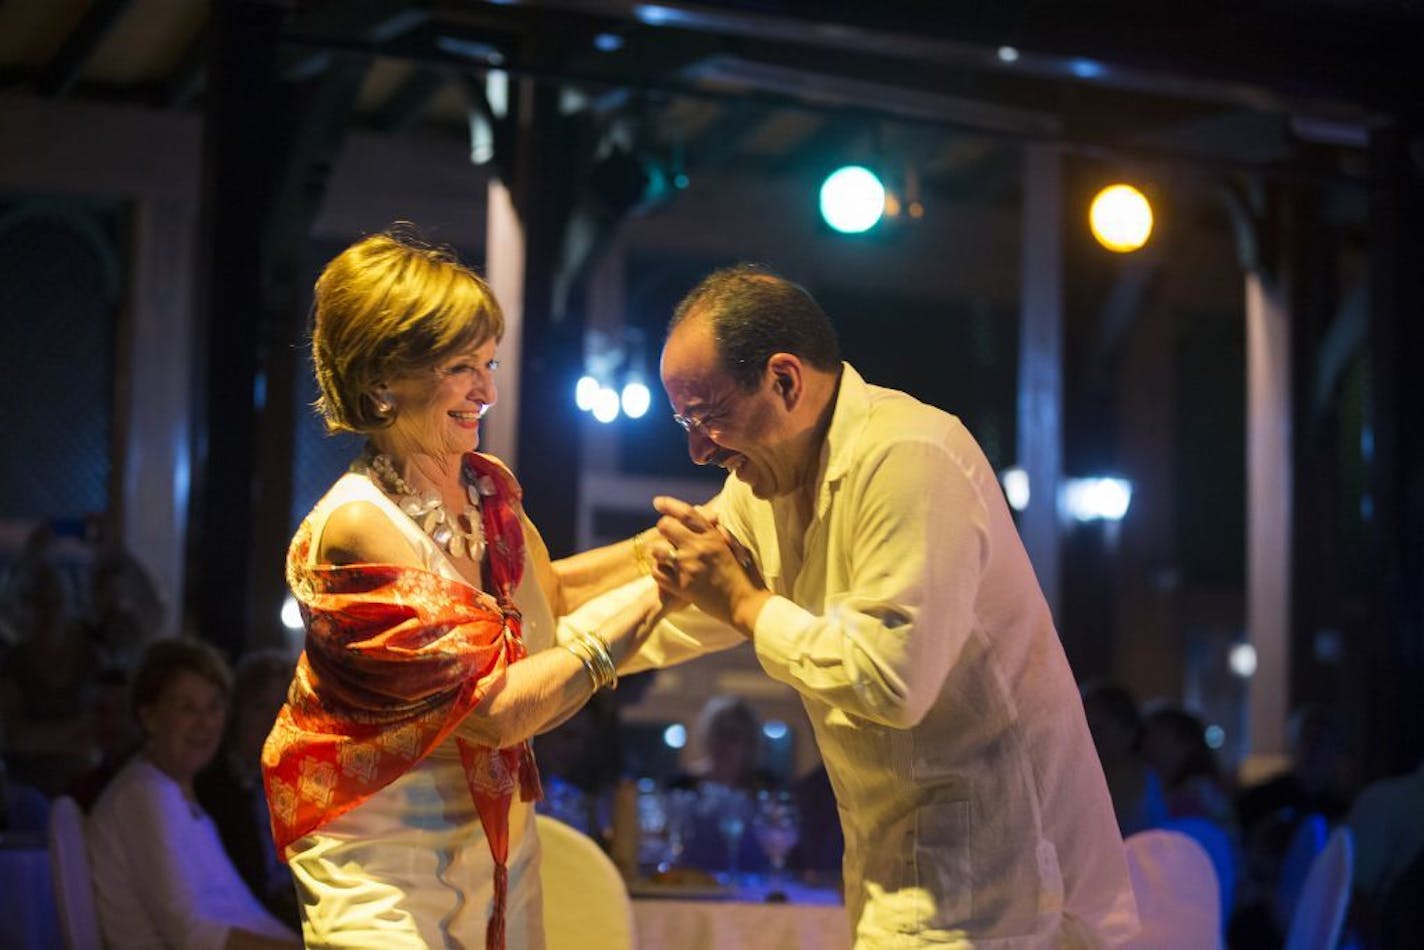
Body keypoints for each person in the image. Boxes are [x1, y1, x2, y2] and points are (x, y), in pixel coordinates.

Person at [638, 264, 1138, 946]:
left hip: (1007, 886)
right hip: (904, 879)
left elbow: (892, 679)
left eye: (710, 416)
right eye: (685, 422)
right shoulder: (771, 481)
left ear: (784, 381)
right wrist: (529, 607)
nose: (697, 448)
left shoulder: (909, 455)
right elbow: (669, 577)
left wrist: (747, 605)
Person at [262, 228, 671, 948]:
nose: (486, 390)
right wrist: (668, 585)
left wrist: (659, 548)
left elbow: (550, 602)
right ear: (382, 379)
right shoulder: (360, 523)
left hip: (495, 843)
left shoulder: (485, 489)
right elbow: (496, 712)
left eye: (488, 363)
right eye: (460, 367)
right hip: (384, 856)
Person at [88, 638, 299, 949]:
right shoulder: (143, 795)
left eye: (213, 706)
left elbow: (241, 911)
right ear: (149, 716)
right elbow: (192, 934)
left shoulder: (176, 794)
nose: (205, 723)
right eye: (187, 708)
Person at [196, 649, 300, 930]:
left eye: (282, 705)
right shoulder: (208, 786)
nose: (272, 718)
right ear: (236, 710)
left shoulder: (297, 785)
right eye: (260, 706)